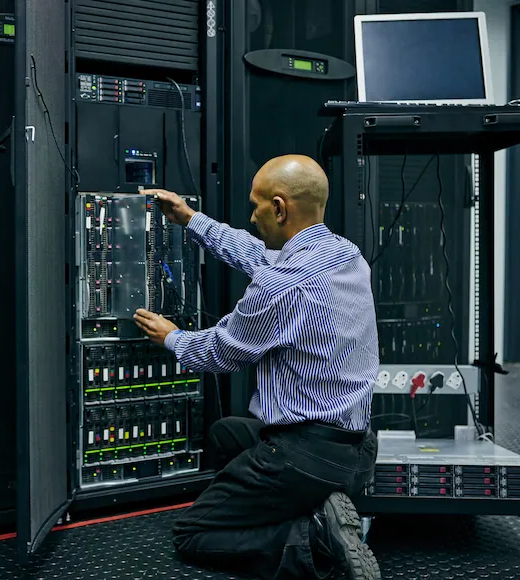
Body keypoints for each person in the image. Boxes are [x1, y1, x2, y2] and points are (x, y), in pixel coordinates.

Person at [133, 154, 380, 580]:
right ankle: (321, 502)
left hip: (305, 455)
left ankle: (314, 538)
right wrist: (191, 219)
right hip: (357, 452)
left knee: (192, 534)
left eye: (257, 205)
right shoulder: (346, 255)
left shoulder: (280, 286)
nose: (252, 215)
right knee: (227, 432)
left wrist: (171, 337)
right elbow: (259, 255)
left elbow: (222, 352)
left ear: (280, 208)